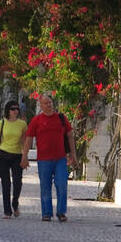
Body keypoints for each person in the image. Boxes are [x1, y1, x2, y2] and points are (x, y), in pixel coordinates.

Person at [21, 93, 78, 222]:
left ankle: (61, 212)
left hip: (60, 158)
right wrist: (24, 157)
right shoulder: (36, 120)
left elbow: (70, 136)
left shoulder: (61, 118)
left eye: (50, 102)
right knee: (45, 187)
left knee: (62, 184)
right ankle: (46, 213)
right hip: (44, 159)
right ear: (41, 106)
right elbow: (29, 139)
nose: (49, 105)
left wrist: (73, 154)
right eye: (46, 103)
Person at [0, 100, 27, 219]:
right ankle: (7, 211)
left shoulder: (22, 124)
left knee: (18, 182)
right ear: (8, 110)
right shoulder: (1, 123)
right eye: (13, 109)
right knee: (5, 183)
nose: (15, 111)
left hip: (17, 155)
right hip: (3, 155)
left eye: (17, 109)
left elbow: (24, 141)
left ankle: (15, 202)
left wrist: (25, 156)